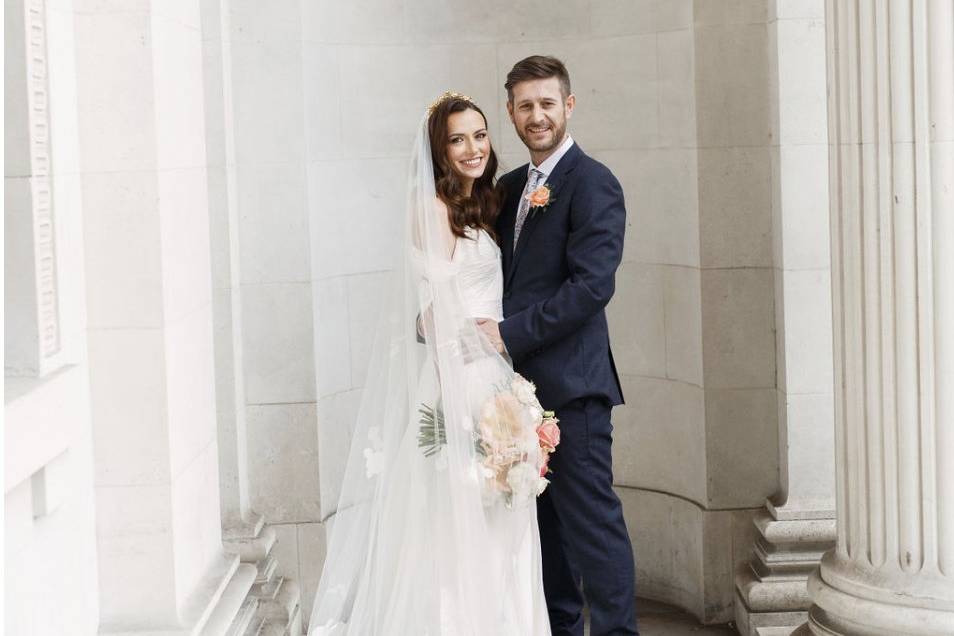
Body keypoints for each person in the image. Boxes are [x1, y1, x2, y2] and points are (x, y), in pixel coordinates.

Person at [308, 93, 550, 635]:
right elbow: (436, 315)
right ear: (439, 150)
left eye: (481, 135)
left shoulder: (481, 206)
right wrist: (457, 411)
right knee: (456, 522)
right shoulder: (435, 210)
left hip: (496, 379)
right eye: (458, 139)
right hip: (458, 382)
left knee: (501, 521)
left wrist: (506, 394)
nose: (473, 148)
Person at [477, 55, 638, 636]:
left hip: (574, 390)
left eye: (547, 103)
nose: (537, 115)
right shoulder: (511, 187)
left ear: (568, 105)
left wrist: (508, 333)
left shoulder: (594, 182)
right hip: (514, 399)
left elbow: (592, 286)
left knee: (592, 530)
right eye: (525, 106)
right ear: (512, 114)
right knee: (542, 534)